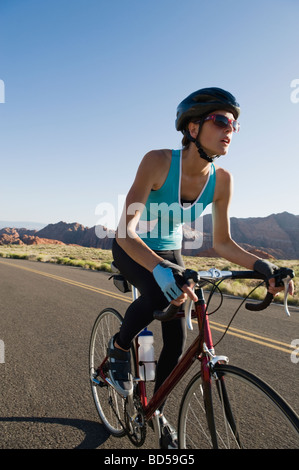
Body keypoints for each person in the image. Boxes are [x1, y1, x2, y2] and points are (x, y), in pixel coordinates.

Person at [107, 87, 294, 448]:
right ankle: (118, 346)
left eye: (235, 124)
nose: (231, 130)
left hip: (171, 251)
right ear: (192, 129)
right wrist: (160, 269)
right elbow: (125, 231)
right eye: (222, 120)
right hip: (132, 248)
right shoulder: (158, 162)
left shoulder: (222, 180)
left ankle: (155, 410)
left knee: (176, 340)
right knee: (156, 295)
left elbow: (222, 244)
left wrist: (263, 265)